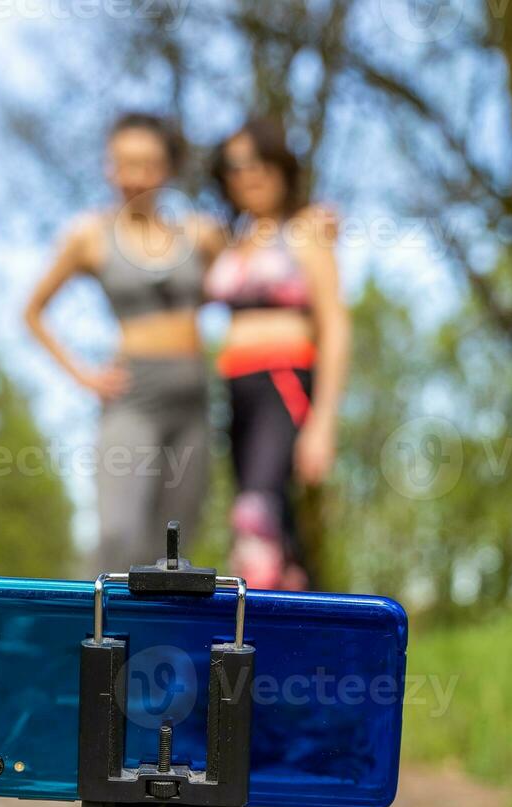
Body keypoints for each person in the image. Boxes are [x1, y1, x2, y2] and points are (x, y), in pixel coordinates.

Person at [24, 113, 220, 571]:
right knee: (119, 535)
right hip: (134, 396)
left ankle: (156, 645)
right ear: (109, 167)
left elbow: (257, 266)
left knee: (173, 550)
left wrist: (311, 219)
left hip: (193, 400)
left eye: (148, 164)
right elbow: (32, 312)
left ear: (168, 169)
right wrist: (84, 376)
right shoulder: (90, 236)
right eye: (124, 164)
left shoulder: (201, 233)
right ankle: (90, 638)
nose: (135, 177)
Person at [207, 119, 351, 590]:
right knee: (274, 519)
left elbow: (334, 324)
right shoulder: (232, 242)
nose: (248, 174)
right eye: (235, 165)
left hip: (283, 384)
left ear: (283, 168)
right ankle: (309, 647)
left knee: (255, 514)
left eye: (259, 162)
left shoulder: (306, 233)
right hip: (237, 391)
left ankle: (256, 637)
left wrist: (324, 420)